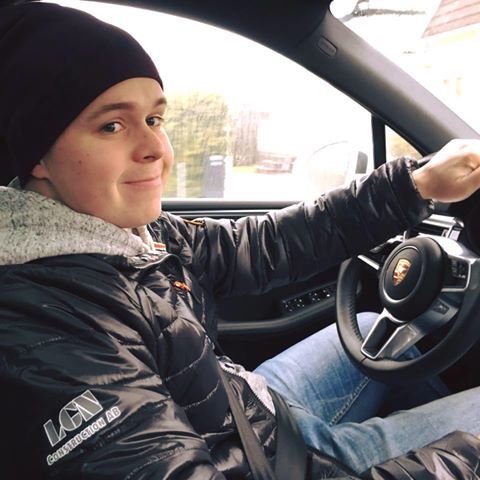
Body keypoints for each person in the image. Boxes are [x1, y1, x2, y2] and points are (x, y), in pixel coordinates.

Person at [1, 2, 480, 479]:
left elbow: (262, 245)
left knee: (374, 327)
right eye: (112, 126)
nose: (155, 149)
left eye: (154, 120)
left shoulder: (129, 234)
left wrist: (415, 186)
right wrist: (461, 461)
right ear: (38, 155)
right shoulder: (41, 331)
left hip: (247, 413)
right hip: (268, 465)